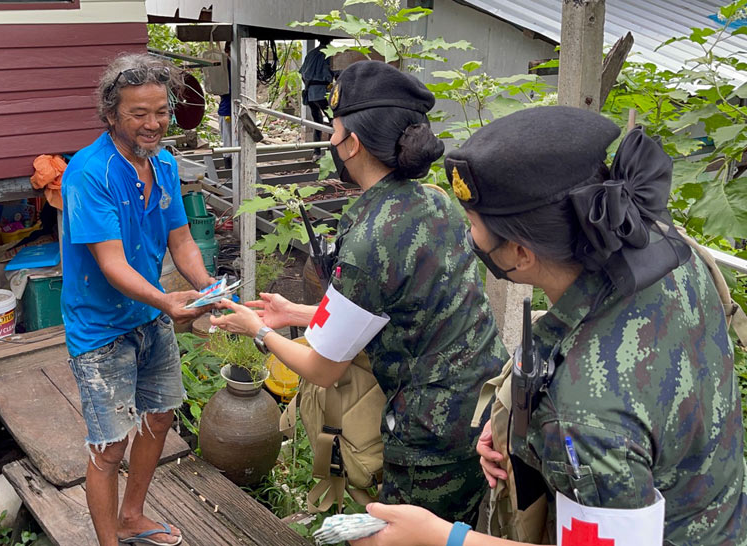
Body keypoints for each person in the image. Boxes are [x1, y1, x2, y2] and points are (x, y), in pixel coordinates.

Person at [347, 106, 747, 545]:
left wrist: (440, 536)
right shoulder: (658, 247)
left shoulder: (583, 416)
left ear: (521, 253)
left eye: (473, 224)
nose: (468, 235)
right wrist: (521, 432)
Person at [210, 60, 508, 524]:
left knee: (409, 531)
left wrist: (260, 331)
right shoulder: (434, 200)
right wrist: (297, 312)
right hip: (486, 407)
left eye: (335, 130)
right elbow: (392, 306)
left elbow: (323, 368)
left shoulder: (370, 238)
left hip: (431, 432)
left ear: (352, 144)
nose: (331, 140)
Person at [61, 53, 216, 546]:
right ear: (111, 115)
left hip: (149, 316)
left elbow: (182, 241)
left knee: (161, 415)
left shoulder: (164, 164)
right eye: (139, 114)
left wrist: (208, 286)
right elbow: (112, 264)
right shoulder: (89, 173)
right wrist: (169, 302)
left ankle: (132, 517)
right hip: (100, 329)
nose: (154, 124)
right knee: (109, 447)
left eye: (162, 111)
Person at [300, 38, 335, 155]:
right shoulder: (332, 54)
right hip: (322, 92)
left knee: (317, 123)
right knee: (334, 121)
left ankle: (316, 152)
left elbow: (303, 75)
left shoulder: (311, 54)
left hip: (310, 93)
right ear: (331, 40)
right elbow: (338, 74)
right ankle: (331, 151)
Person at [218, 42, 233, 169]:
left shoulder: (234, 64)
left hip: (236, 109)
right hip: (227, 110)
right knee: (228, 141)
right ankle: (229, 168)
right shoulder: (225, 64)